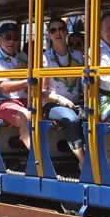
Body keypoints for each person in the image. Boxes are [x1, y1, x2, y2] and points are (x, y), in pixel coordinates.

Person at [42, 18, 85, 166]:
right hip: (52, 104)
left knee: (94, 116)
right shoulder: (45, 58)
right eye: (53, 30)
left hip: (76, 102)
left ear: (66, 32)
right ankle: (83, 162)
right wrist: (60, 99)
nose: (58, 33)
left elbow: (84, 84)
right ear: (49, 35)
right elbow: (41, 93)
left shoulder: (78, 56)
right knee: (71, 119)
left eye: (61, 29)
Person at [0, 23, 33, 149]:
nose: (11, 41)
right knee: (26, 116)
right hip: (3, 102)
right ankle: (37, 156)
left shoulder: (22, 56)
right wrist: (28, 81)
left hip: (26, 100)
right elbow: (3, 87)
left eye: (15, 38)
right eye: (7, 37)